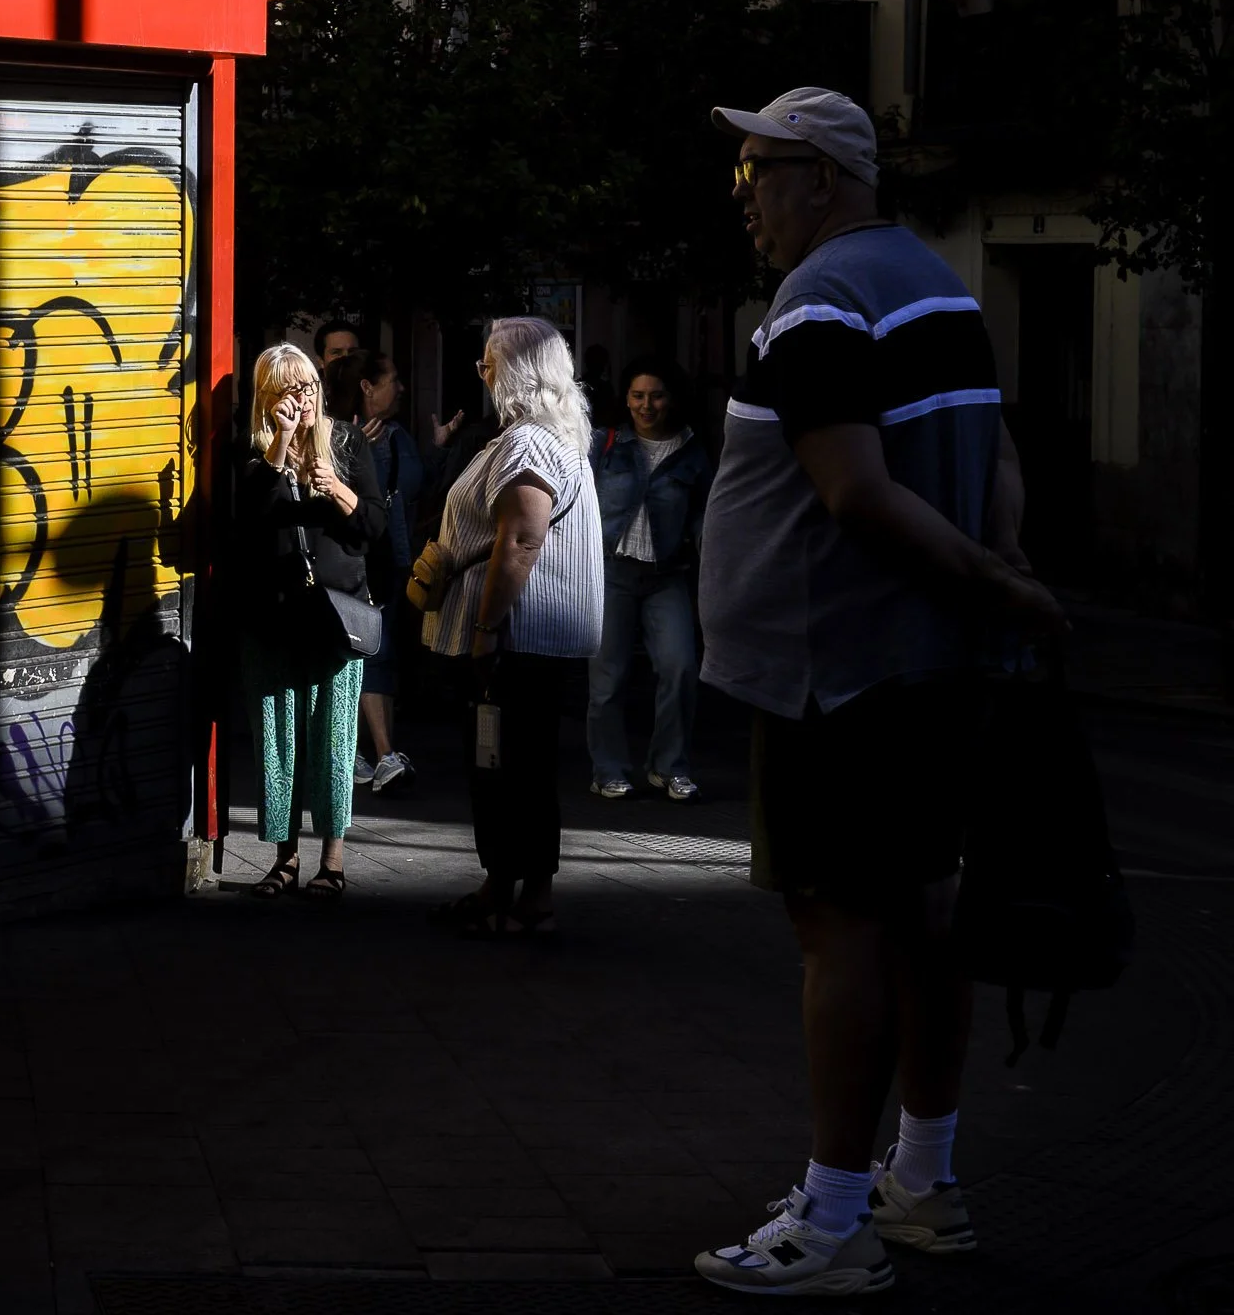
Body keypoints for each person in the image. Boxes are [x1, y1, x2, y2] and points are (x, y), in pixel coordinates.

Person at [689, 90, 1063, 1297]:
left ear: (822, 176)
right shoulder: (940, 287)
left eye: (756, 169)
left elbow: (851, 491)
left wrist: (994, 585)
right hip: (921, 663)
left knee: (839, 928)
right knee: (922, 914)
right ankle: (923, 1180)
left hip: (830, 670)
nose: (742, 195)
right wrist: (998, 566)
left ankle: (835, 1217)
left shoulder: (820, 302)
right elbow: (995, 452)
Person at [410, 318, 603, 939]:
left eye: (487, 364)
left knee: (507, 766)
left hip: (515, 642)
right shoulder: (554, 437)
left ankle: (522, 894)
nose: (483, 375)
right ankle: (508, 887)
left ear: (514, 372)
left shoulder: (527, 444)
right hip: (530, 641)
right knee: (516, 765)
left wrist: (486, 630)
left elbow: (520, 540)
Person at [236, 344, 385, 899]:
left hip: (335, 617)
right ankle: (285, 859)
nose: (302, 399)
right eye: (289, 390)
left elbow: (373, 527)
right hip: (272, 619)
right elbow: (249, 519)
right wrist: (279, 445)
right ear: (267, 398)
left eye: (309, 387)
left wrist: (338, 490)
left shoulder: (346, 442)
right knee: (278, 742)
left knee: (334, 741)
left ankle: (333, 860)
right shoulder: (254, 451)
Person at [324, 350, 461, 792]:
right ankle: (378, 754)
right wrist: (351, 454)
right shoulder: (337, 435)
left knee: (382, 655)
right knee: (369, 653)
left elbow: (421, 490)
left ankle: (362, 752)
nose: (401, 388)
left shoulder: (398, 435)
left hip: (399, 562)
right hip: (359, 562)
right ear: (367, 387)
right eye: (393, 380)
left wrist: (437, 449)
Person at [585, 358, 715, 802]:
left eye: (656, 396)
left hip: (667, 576)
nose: (646, 405)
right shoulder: (605, 443)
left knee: (680, 668)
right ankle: (608, 770)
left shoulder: (691, 450)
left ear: (671, 399)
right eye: (638, 395)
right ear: (625, 398)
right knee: (607, 679)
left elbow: (704, 512)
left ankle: (669, 766)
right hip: (612, 573)